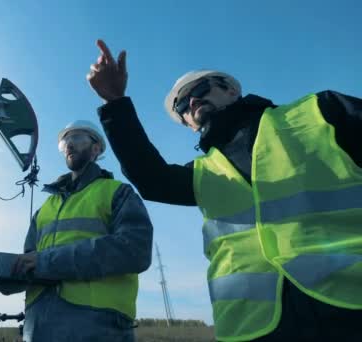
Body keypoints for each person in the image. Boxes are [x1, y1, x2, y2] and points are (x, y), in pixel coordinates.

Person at [86, 39, 362, 341]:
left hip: (349, 307)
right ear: (187, 124)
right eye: (182, 105)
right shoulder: (204, 173)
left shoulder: (320, 113)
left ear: (231, 90)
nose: (191, 102)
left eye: (200, 90)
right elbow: (150, 178)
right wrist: (115, 102)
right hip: (250, 328)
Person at [0, 120, 153, 342]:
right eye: (65, 143)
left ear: (96, 148)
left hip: (97, 324)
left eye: (78, 139)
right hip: (38, 324)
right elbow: (31, 264)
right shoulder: (46, 208)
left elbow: (135, 251)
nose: (69, 145)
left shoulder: (117, 192)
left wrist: (46, 262)